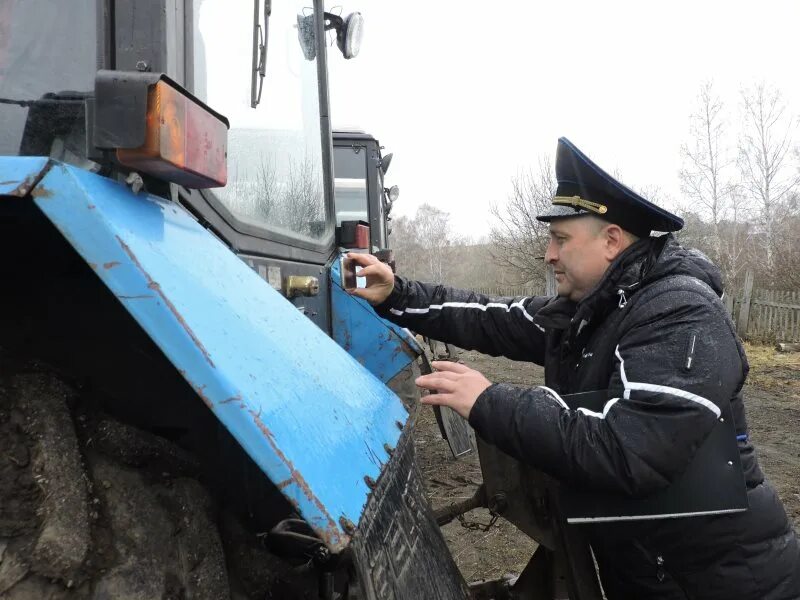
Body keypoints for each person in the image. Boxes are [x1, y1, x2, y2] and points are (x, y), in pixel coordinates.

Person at [347, 137, 800, 600]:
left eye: (560, 238)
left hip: (725, 584)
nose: (548, 254)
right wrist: (397, 295)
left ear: (611, 240)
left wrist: (490, 402)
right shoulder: (592, 309)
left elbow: (631, 451)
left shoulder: (681, 312)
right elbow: (490, 316)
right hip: (654, 573)